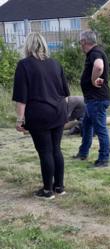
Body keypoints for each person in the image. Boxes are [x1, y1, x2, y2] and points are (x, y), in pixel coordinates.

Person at [12, 32, 70, 199]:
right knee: (56, 150)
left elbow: (21, 97)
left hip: (39, 114)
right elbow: (65, 93)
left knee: (45, 152)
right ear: (44, 45)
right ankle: (59, 187)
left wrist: (20, 119)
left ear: (28, 46)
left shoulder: (24, 65)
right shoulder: (55, 63)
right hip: (58, 111)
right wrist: (65, 113)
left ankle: (47, 191)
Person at [73, 30, 110, 167]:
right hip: (92, 99)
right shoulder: (95, 52)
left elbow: (99, 66)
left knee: (100, 129)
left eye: (80, 42)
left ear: (84, 42)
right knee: (86, 125)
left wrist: (94, 80)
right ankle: (83, 153)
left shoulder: (95, 53)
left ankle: (104, 159)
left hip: (97, 99)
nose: (80, 45)